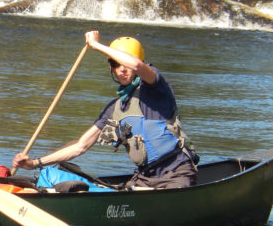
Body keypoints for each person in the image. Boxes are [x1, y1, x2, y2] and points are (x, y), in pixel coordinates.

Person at [13, 31, 198, 189]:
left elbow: (137, 66)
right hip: (145, 179)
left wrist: (96, 45)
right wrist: (35, 163)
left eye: (124, 63)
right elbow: (80, 146)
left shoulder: (156, 88)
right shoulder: (115, 108)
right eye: (115, 64)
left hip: (176, 173)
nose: (121, 70)